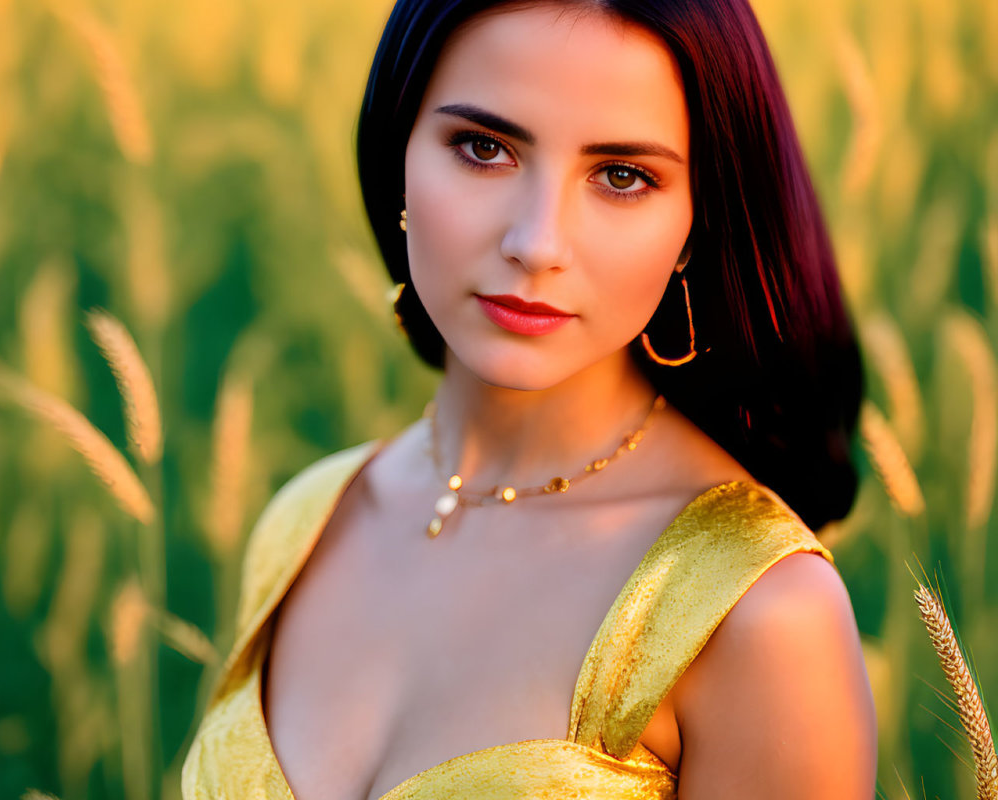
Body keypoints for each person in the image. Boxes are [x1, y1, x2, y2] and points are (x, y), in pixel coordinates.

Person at [182, 0, 877, 797]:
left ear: (696, 226)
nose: (537, 243)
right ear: (397, 155)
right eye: (484, 148)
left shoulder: (759, 616)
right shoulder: (304, 526)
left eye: (622, 176)